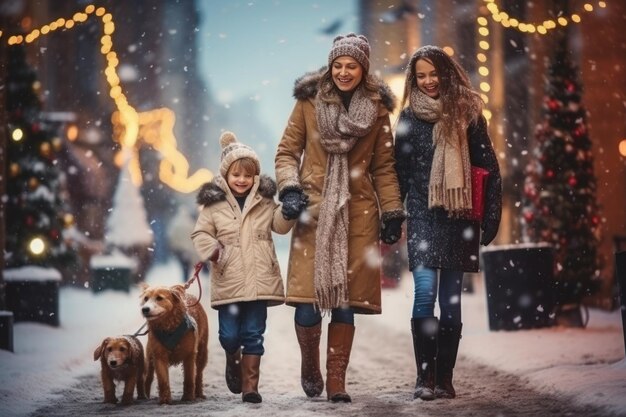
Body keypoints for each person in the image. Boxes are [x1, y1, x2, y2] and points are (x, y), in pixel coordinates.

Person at [275, 33, 406, 403]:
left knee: (345, 302)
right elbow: (286, 153)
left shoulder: (377, 111)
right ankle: (309, 363)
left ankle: (336, 380)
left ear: (363, 69)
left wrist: (392, 210)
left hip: (358, 213)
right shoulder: (308, 103)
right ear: (330, 68)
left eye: (351, 65)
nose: (344, 72)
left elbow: (384, 167)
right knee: (306, 300)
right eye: (338, 65)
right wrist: (290, 188)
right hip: (314, 211)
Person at [394, 45, 502, 401]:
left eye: (433, 73)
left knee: (451, 301)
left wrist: (491, 213)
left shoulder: (468, 114)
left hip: (459, 215)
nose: (428, 81)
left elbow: (488, 167)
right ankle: (424, 377)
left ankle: (444, 377)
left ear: (447, 73)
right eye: (420, 75)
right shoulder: (409, 119)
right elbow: (400, 172)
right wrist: (393, 214)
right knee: (425, 294)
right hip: (424, 215)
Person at [192, 131, 294, 403]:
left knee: (253, 334)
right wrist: (214, 251)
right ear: (225, 176)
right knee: (228, 335)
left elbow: (279, 226)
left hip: (261, 280)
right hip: (230, 281)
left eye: (248, 176)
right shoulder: (213, 206)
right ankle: (231, 357)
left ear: (255, 177)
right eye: (236, 175)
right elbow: (200, 234)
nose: (242, 180)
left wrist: (288, 212)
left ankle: (250, 387)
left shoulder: (264, 201)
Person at [167, 204, 199, 282]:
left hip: (180, 249)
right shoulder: (190, 223)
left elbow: (171, 236)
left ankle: (185, 280)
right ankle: (186, 280)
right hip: (188, 249)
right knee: (187, 266)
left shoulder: (175, 223)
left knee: (183, 266)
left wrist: (174, 246)